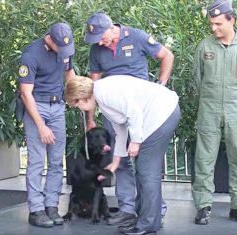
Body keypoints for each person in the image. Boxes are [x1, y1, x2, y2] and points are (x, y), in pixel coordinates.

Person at [84, 11, 174, 228]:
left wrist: (160, 85)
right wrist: (90, 119)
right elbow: (91, 87)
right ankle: (126, 209)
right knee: (121, 158)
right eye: (96, 40)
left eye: (102, 37)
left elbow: (167, 55)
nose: (100, 43)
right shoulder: (96, 50)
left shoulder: (136, 36)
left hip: (140, 110)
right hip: (114, 110)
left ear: (111, 28)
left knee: (145, 163)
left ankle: (154, 209)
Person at [65, 75, 180, 235]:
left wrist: (136, 141)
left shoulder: (105, 92)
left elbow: (134, 112)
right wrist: (116, 161)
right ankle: (145, 219)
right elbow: (120, 130)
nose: (80, 109)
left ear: (82, 98)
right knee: (143, 171)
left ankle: (148, 223)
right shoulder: (101, 98)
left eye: (76, 105)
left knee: (147, 171)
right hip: (158, 115)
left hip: (162, 114)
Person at [18, 22, 76, 228]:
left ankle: (51, 205)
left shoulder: (65, 49)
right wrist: (41, 126)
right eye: (60, 47)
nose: (64, 52)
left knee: (56, 161)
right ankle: (36, 209)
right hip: (37, 105)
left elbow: (69, 74)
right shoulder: (31, 54)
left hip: (58, 106)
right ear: (50, 39)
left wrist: (75, 94)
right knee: (36, 160)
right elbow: (26, 93)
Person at [192, 0, 237, 225]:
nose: (214, 28)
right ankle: (203, 206)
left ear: (232, 20)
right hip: (209, 109)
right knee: (204, 159)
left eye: (219, 23)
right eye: (212, 24)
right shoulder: (204, 46)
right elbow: (196, 81)